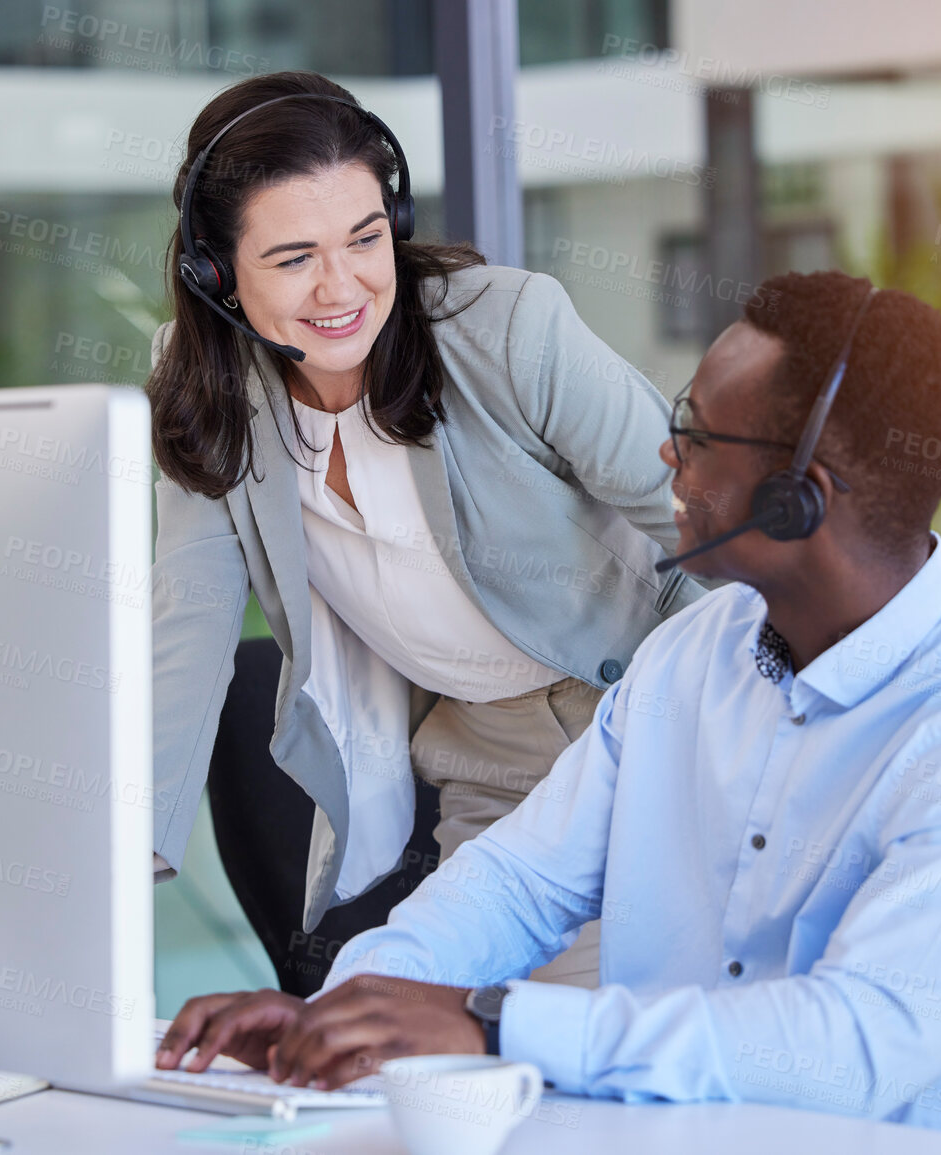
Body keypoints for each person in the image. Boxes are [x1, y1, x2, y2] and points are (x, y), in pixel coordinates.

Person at [155, 271, 941, 1143]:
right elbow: (524, 880)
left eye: (694, 431)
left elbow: (850, 1049)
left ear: (796, 499)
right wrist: (357, 1005)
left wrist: (492, 1021)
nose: (664, 451)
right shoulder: (692, 654)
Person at [148, 70, 704, 991]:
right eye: (292, 259)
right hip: (487, 761)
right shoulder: (206, 387)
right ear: (215, 274)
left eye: (366, 239)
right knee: (462, 1058)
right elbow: (190, 617)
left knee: (598, 1065)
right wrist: (130, 850)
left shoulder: (507, 328)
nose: (342, 287)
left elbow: (702, 523)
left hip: (648, 721)